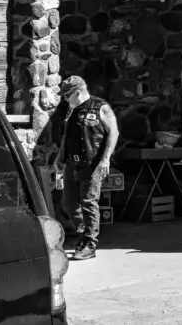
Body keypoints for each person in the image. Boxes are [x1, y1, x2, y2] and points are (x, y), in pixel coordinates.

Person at [53, 76, 119, 261]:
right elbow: (67, 135)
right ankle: (84, 237)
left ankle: (89, 244)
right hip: (71, 163)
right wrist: (60, 158)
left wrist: (105, 159)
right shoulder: (71, 109)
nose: (64, 99)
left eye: (67, 95)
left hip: (92, 163)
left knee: (89, 203)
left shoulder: (100, 107)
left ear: (78, 92)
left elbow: (114, 132)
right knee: (70, 204)